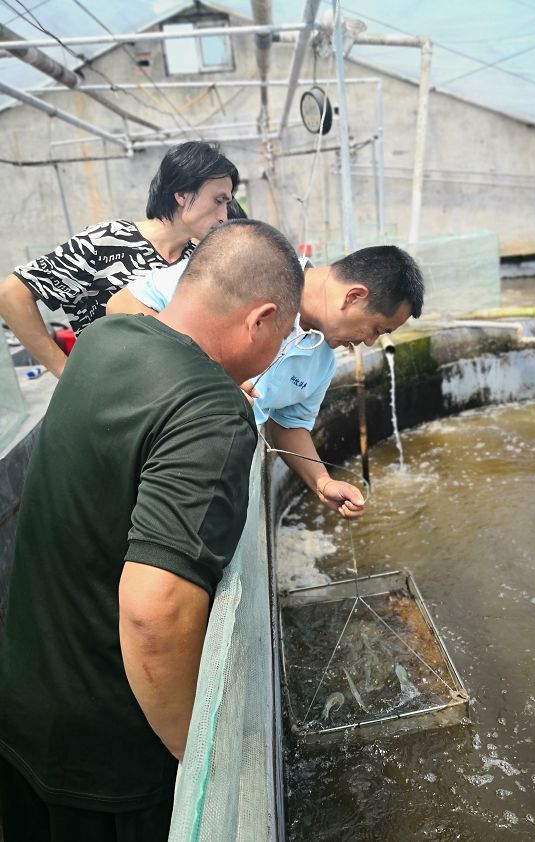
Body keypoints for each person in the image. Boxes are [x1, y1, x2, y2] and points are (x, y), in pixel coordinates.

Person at [0, 220, 304, 841]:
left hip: (24, 710)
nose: (276, 357)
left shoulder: (106, 338)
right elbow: (155, 615)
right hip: (108, 764)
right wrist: (199, 759)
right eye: (281, 339)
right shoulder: (210, 415)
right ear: (261, 319)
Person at [107, 245, 425, 520]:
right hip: (138, 446)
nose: (369, 343)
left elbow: (288, 424)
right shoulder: (252, 267)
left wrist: (322, 482)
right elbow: (122, 306)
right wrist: (207, 373)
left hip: (203, 480)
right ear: (354, 296)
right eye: (377, 329)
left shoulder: (322, 361)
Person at [0, 140, 240, 378]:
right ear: (182, 194)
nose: (224, 216)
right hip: (107, 399)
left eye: (227, 204)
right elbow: (12, 294)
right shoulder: (106, 241)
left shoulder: (196, 259)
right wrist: (64, 371)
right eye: (218, 201)